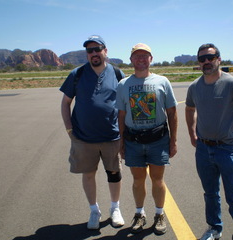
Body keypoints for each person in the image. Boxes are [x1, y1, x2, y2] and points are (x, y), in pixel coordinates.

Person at [185, 43, 233, 240]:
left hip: (227, 149)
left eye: (211, 57)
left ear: (219, 59)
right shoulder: (194, 87)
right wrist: (192, 134)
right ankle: (214, 228)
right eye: (202, 59)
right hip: (203, 149)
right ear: (199, 63)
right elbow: (189, 109)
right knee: (210, 194)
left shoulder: (232, 84)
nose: (207, 62)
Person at [60, 35, 125, 230]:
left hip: (111, 137)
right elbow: (65, 103)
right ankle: (94, 210)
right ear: (87, 54)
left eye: (97, 49)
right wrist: (69, 129)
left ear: (105, 51)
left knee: (114, 173)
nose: (94, 53)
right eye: (90, 50)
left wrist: (124, 132)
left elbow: (123, 105)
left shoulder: (117, 73)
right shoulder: (77, 74)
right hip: (83, 138)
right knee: (88, 174)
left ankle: (115, 208)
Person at [116, 43, 178, 235]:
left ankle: (159, 214)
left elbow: (172, 112)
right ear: (131, 60)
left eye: (145, 56)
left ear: (151, 59)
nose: (141, 59)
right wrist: (121, 142)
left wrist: (173, 140)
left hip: (158, 139)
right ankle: (139, 213)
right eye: (137, 56)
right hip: (133, 141)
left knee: (157, 180)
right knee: (137, 180)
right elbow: (121, 116)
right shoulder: (123, 85)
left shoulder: (162, 82)